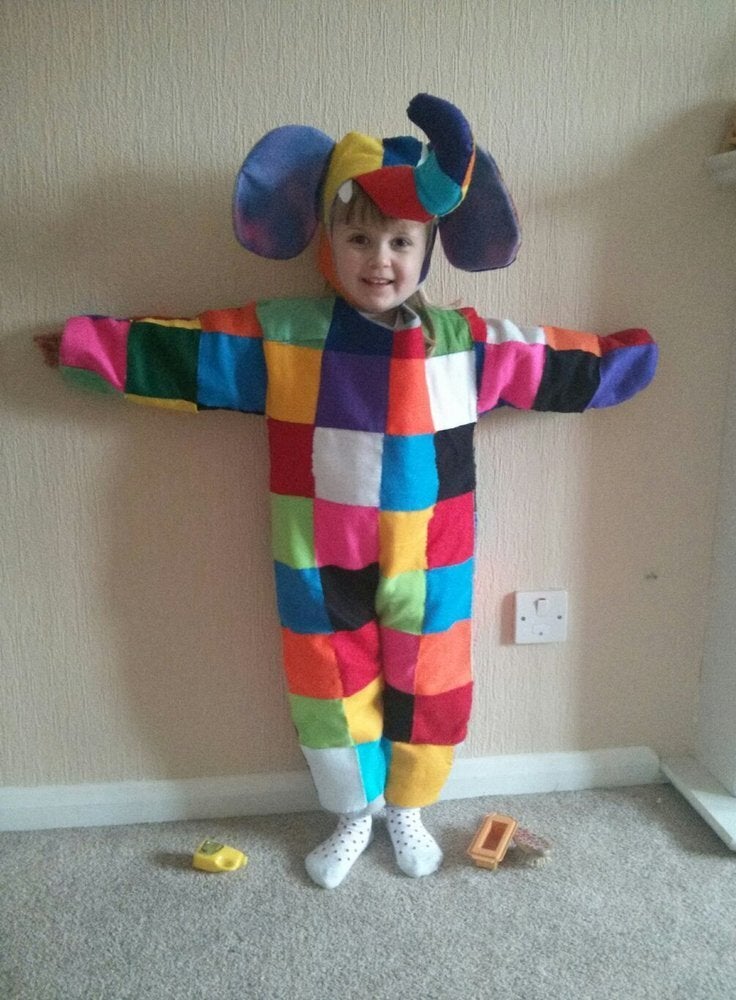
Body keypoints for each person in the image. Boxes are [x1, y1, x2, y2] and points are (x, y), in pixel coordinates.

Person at [36, 94, 658, 889]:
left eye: (400, 241)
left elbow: (552, 363)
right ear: (326, 242)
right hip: (316, 553)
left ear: (427, 247)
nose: (380, 259)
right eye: (359, 236)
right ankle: (353, 813)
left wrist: (625, 361)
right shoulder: (286, 334)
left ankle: (410, 806)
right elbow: (189, 355)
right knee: (327, 687)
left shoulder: (460, 343)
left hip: (433, 553)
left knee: (430, 682)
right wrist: (90, 348)